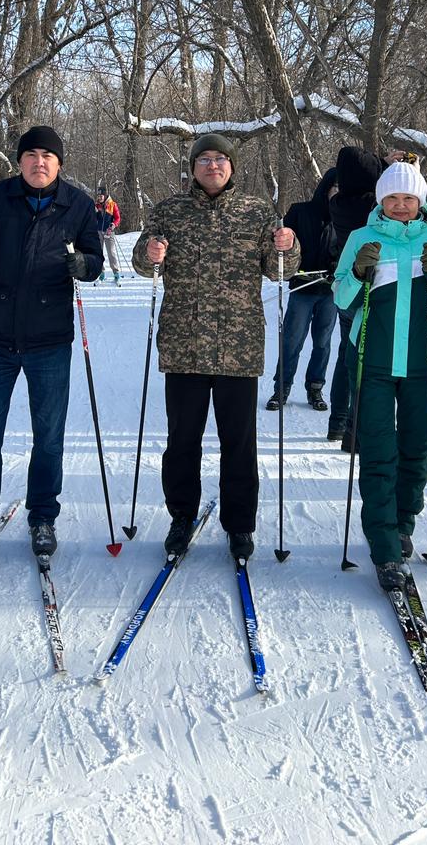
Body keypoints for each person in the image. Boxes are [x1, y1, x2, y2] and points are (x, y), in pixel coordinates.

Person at [132, 133, 299, 560]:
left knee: (238, 444)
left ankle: (240, 525)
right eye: (204, 159)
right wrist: (149, 252)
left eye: (220, 159)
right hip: (183, 345)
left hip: (238, 349)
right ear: (192, 167)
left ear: (232, 166)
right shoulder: (169, 211)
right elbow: (143, 263)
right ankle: (182, 516)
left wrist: (289, 247)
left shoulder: (258, 212)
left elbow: (279, 271)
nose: (212, 166)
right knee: (182, 440)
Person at [0, 125, 102, 562]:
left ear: (59, 164)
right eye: (32, 154)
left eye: (48, 156)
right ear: (19, 161)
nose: (40, 162)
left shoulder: (76, 204)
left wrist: (83, 264)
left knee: (49, 436)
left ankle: (42, 517)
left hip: (49, 338)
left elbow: (94, 260)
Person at [333, 160, 427, 590]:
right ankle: (384, 545)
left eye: (409, 198)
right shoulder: (360, 238)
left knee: (415, 448)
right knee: (376, 451)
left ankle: (404, 521)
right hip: (371, 358)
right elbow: (342, 297)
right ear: (381, 201)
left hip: (425, 362)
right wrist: (355, 273)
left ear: (420, 201)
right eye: (393, 198)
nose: (401, 205)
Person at [327, 148, 404, 451]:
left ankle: (338, 423)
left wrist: (383, 164)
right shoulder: (370, 208)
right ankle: (356, 431)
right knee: (365, 363)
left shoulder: (337, 203)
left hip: (348, 290)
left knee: (347, 355)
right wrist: (395, 170)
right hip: (370, 290)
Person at [265, 168, 340, 431]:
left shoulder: (345, 218)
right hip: (302, 289)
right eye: (335, 188)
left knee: (323, 342)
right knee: (292, 341)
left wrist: (337, 268)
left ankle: (315, 388)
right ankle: (281, 389)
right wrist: (289, 263)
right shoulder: (300, 211)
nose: (338, 194)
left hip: (330, 292)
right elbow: (281, 244)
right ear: (326, 188)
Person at [94, 185, 122, 282]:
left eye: (101, 195)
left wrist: (113, 225)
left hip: (109, 231)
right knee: (99, 253)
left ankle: (116, 272)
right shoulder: (96, 205)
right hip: (98, 232)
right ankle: (101, 272)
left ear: (105, 195)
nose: (99, 197)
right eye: (98, 196)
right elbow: (94, 219)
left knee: (111, 253)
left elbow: (118, 218)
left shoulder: (112, 204)